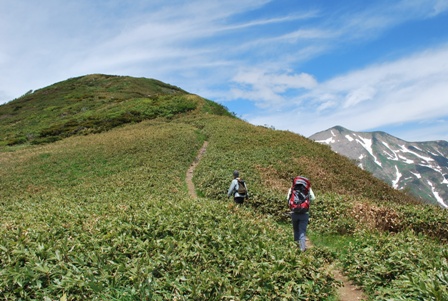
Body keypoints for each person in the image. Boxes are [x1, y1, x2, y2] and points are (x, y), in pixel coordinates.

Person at [287, 178, 315, 252]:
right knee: (302, 231)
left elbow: (288, 199)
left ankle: (296, 247)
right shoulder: (308, 188)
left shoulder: (292, 188)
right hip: (304, 213)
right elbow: (313, 198)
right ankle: (302, 249)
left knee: (296, 230)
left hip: (294, 213)